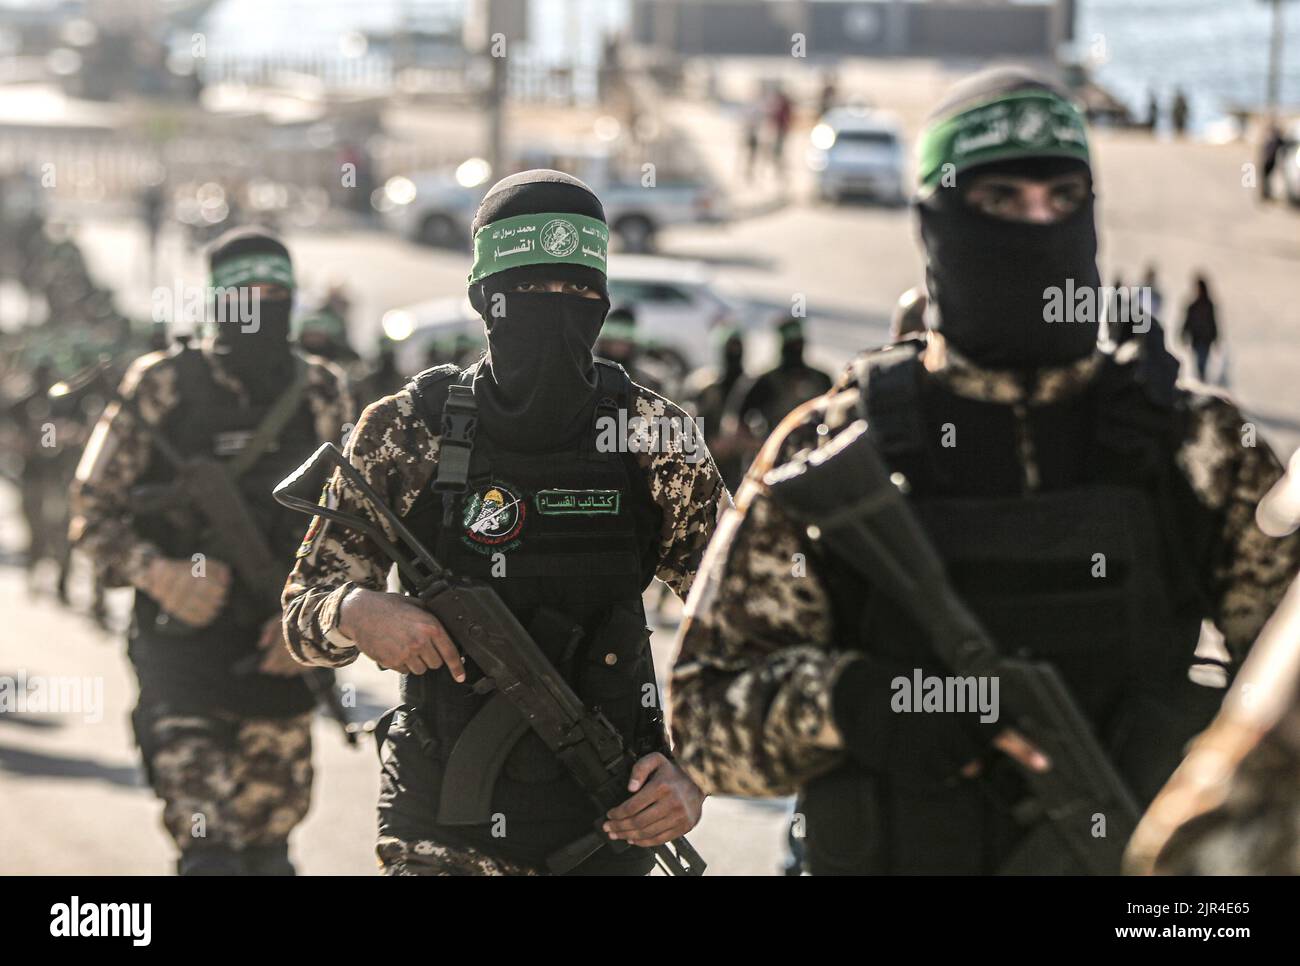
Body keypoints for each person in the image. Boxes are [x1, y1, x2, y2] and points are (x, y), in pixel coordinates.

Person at [669, 67, 1300, 875]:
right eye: (1002, 201)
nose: (1038, 224)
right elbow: (705, 724)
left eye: (1063, 200)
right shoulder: (834, 447)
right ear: (937, 224)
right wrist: (871, 705)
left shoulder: (1194, 444)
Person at [282, 170, 727, 875]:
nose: (558, 310)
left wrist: (694, 770)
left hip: (613, 813)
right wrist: (356, 610)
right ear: (485, 300)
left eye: (579, 292)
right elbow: (302, 616)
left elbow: (743, 629)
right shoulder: (406, 430)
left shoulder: (653, 436)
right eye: (531, 292)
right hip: (439, 827)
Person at [68, 227, 353, 875]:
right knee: (211, 851)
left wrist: (316, 625)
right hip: (181, 660)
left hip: (280, 660)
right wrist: (160, 573)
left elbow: (356, 529)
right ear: (220, 302)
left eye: (276, 293)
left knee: (268, 852)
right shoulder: (162, 384)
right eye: (248, 293)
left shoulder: (322, 391)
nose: (262, 305)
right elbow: (92, 512)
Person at [734, 316, 832, 452]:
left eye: (798, 343)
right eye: (791, 344)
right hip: (777, 458)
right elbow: (737, 421)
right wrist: (761, 449)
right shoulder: (764, 382)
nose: (796, 349)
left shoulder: (821, 379)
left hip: (817, 453)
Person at [684, 327, 750, 491]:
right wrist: (712, 444)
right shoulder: (705, 386)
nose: (734, 353)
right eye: (730, 348)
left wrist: (741, 442)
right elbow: (689, 424)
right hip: (706, 466)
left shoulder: (752, 386)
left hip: (741, 470)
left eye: (737, 348)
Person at [1180, 274, 1218, 381]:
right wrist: (1183, 334)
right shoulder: (1193, 306)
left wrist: (1215, 336)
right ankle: (1200, 379)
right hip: (1196, 339)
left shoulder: (1208, 305)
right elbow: (1187, 321)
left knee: (1202, 361)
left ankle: (1201, 379)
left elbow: (1213, 322)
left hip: (1205, 340)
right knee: (1198, 362)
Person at [1259, 122, 1284, 202]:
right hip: (1268, 162)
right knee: (1266, 180)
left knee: (1267, 180)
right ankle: (1265, 195)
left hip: (1268, 162)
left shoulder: (1271, 140)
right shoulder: (1274, 140)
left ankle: (1266, 195)